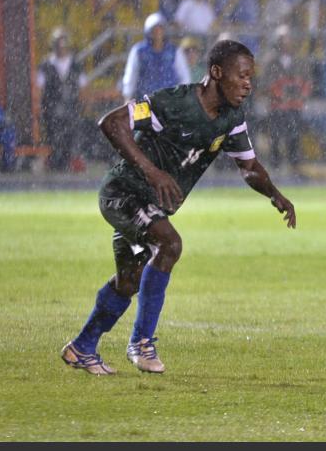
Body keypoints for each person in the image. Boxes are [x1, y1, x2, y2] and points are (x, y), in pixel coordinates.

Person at [60, 39, 296, 376]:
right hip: (123, 194)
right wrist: (152, 172)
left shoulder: (231, 118)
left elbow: (250, 166)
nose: (248, 84)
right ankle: (142, 343)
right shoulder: (172, 103)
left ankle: (82, 346)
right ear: (216, 72)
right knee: (170, 244)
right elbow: (111, 123)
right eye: (241, 76)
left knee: (129, 280)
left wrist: (276, 195)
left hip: (150, 205)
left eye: (251, 78)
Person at [257, 26, 313, 173]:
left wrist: (299, 95)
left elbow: (307, 82)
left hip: (294, 107)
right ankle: (275, 165)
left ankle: (294, 165)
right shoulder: (271, 62)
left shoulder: (300, 61)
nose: (287, 42)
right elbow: (264, 84)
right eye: (284, 39)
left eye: (289, 39)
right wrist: (277, 93)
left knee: (294, 137)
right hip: (277, 107)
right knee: (275, 137)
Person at [36, 27, 89, 171]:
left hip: (72, 107)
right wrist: (40, 107)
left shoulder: (76, 64)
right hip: (52, 108)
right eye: (58, 42)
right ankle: (56, 165)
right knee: (54, 137)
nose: (61, 46)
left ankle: (70, 163)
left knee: (71, 138)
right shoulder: (46, 64)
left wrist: (82, 105)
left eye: (63, 42)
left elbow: (83, 87)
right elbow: (39, 88)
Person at [121, 12, 191, 104]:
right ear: (148, 31)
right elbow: (131, 75)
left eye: (160, 28)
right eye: (154, 29)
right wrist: (128, 96)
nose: (158, 32)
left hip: (169, 101)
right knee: (145, 118)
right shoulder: (139, 51)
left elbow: (184, 76)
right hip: (144, 99)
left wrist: (183, 96)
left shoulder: (174, 51)